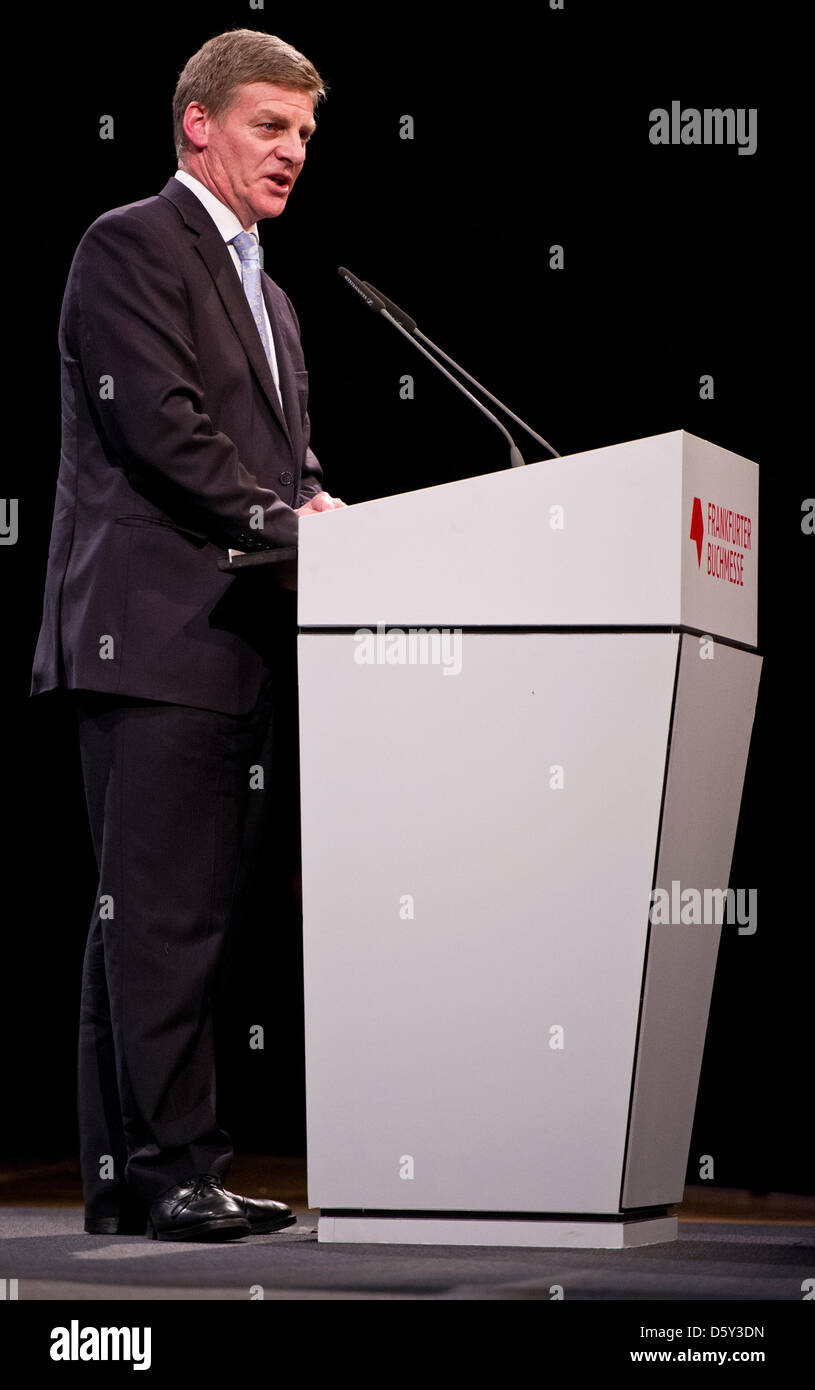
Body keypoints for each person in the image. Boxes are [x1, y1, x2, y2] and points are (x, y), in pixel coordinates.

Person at [29, 29, 344, 1241]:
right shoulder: (130, 244)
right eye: (270, 125)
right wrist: (293, 521)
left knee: (171, 917)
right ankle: (166, 1168)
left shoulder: (270, 292)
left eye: (306, 135)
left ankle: (138, 1176)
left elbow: (283, 462)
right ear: (197, 123)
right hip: (148, 633)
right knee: (156, 915)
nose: (292, 152)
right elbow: (163, 434)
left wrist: (321, 508)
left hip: (233, 637)